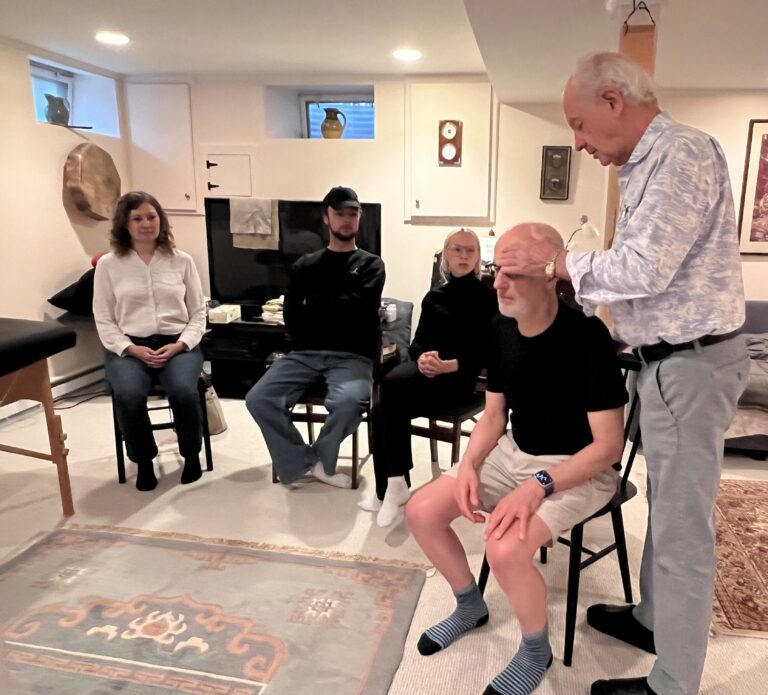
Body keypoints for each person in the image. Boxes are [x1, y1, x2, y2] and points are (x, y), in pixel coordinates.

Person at [497, 52, 749, 695]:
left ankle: (673, 683)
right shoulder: (645, 164)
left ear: (613, 100)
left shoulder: (681, 153)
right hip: (660, 363)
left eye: (579, 125)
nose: (578, 143)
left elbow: (644, 269)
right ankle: (652, 619)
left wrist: (562, 266)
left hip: (691, 366)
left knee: (684, 527)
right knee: (665, 509)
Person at [407, 223, 628, 695]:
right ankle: (470, 605)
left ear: (552, 275)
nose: (499, 284)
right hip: (516, 452)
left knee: (504, 549)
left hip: (580, 468)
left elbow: (608, 447)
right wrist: (468, 464)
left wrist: (538, 485)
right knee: (422, 510)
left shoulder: (588, 339)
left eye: (515, 274)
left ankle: (534, 650)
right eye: (497, 270)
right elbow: (493, 415)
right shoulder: (500, 327)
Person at [246, 186, 385, 489]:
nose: (347, 220)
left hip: (353, 355)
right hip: (304, 352)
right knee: (258, 398)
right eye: (340, 213)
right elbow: (293, 317)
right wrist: (339, 305)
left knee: (349, 403)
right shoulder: (304, 265)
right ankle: (303, 461)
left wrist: (316, 303)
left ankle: (321, 459)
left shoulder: (372, 264)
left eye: (353, 213)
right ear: (326, 218)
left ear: (359, 217)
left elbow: (362, 310)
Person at [361, 228, 497, 527]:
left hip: (462, 380)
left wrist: (452, 365)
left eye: (469, 251)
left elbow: (490, 351)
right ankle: (393, 483)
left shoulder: (489, 298)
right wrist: (422, 358)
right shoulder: (435, 296)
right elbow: (419, 341)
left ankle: (390, 486)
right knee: (384, 402)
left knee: (391, 392)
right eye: (456, 250)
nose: (463, 256)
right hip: (428, 374)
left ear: (477, 258)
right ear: (445, 255)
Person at [93, 191, 207, 491]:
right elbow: (103, 319)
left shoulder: (181, 261)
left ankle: (191, 454)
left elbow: (198, 313)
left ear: (161, 220)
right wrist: (130, 349)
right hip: (128, 347)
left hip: (178, 344)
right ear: (124, 224)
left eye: (152, 216)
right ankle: (144, 461)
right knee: (129, 395)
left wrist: (181, 344)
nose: (146, 223)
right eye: (138, 218)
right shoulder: (108, 265)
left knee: (183, 391)